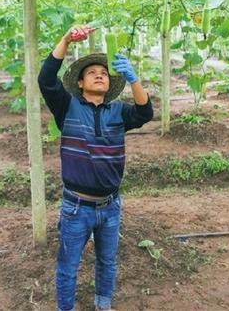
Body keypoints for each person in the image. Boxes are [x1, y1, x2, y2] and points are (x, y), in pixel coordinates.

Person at [37, 25, 154, 311]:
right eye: (91, 72)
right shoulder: (67, 108)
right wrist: (65, 39)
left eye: (103, 72)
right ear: (79, 83)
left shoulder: (119, 111)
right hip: (76, 207)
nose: (99, 75)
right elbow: (46, 79)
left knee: (107, 262)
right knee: (68, 266)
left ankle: (103, 306)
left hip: (111, 206)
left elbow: (145, 112)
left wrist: (134, 79)